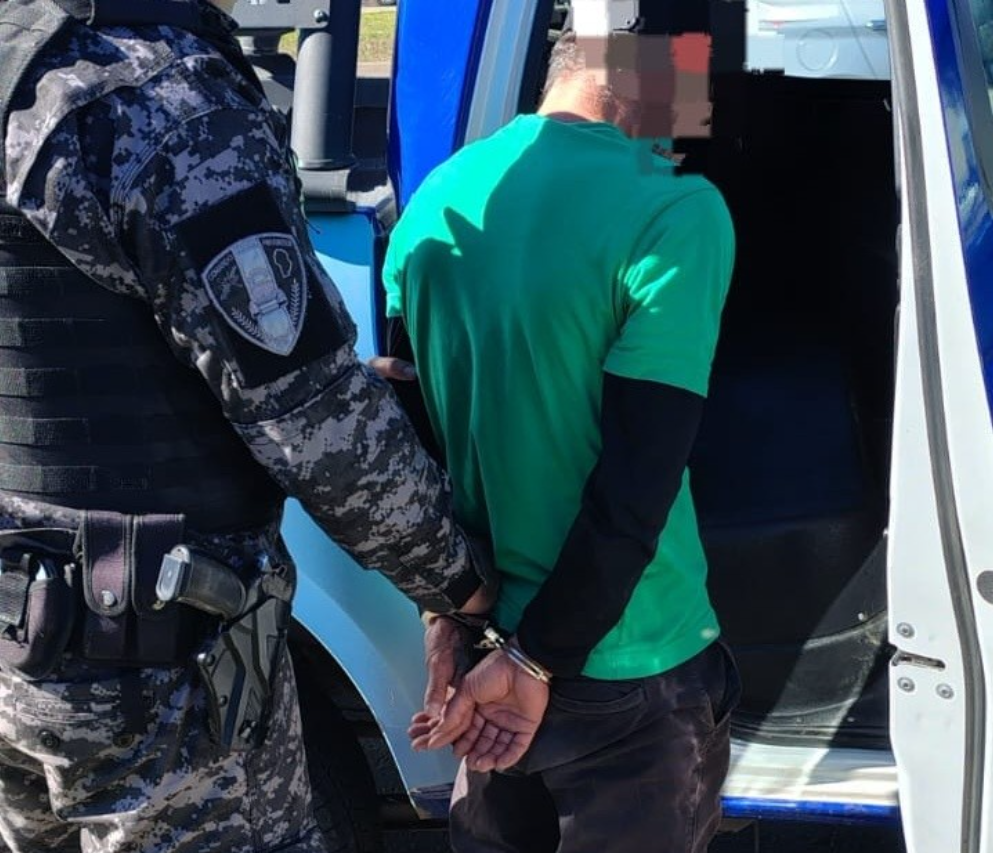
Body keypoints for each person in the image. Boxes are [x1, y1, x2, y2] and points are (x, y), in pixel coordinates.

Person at [0, 0, 495, 851]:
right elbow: (314, 425)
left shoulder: (21, 65)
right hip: (149, 672)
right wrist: (461, 585)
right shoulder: (160, 100)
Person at [384, 26, 740, 853]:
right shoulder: (675, 209)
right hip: (627, 657)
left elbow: (409, 462)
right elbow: (636, 477)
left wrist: (446, 619)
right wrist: (539, 657)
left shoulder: (436, 198)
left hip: (487, 650)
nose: (677, 142)